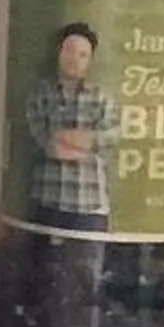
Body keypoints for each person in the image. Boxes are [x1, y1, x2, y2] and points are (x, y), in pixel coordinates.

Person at [23, 20, 120, 229]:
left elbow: (111, 137)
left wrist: (69, 138)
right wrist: (82, 142)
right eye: (69, 51)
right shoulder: (40, 94)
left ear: (90, 60)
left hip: (90, 203)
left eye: (82, 55)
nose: (74, 59)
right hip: (48, 199)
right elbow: (41, 141)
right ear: (59, 52)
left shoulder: (101, 97)